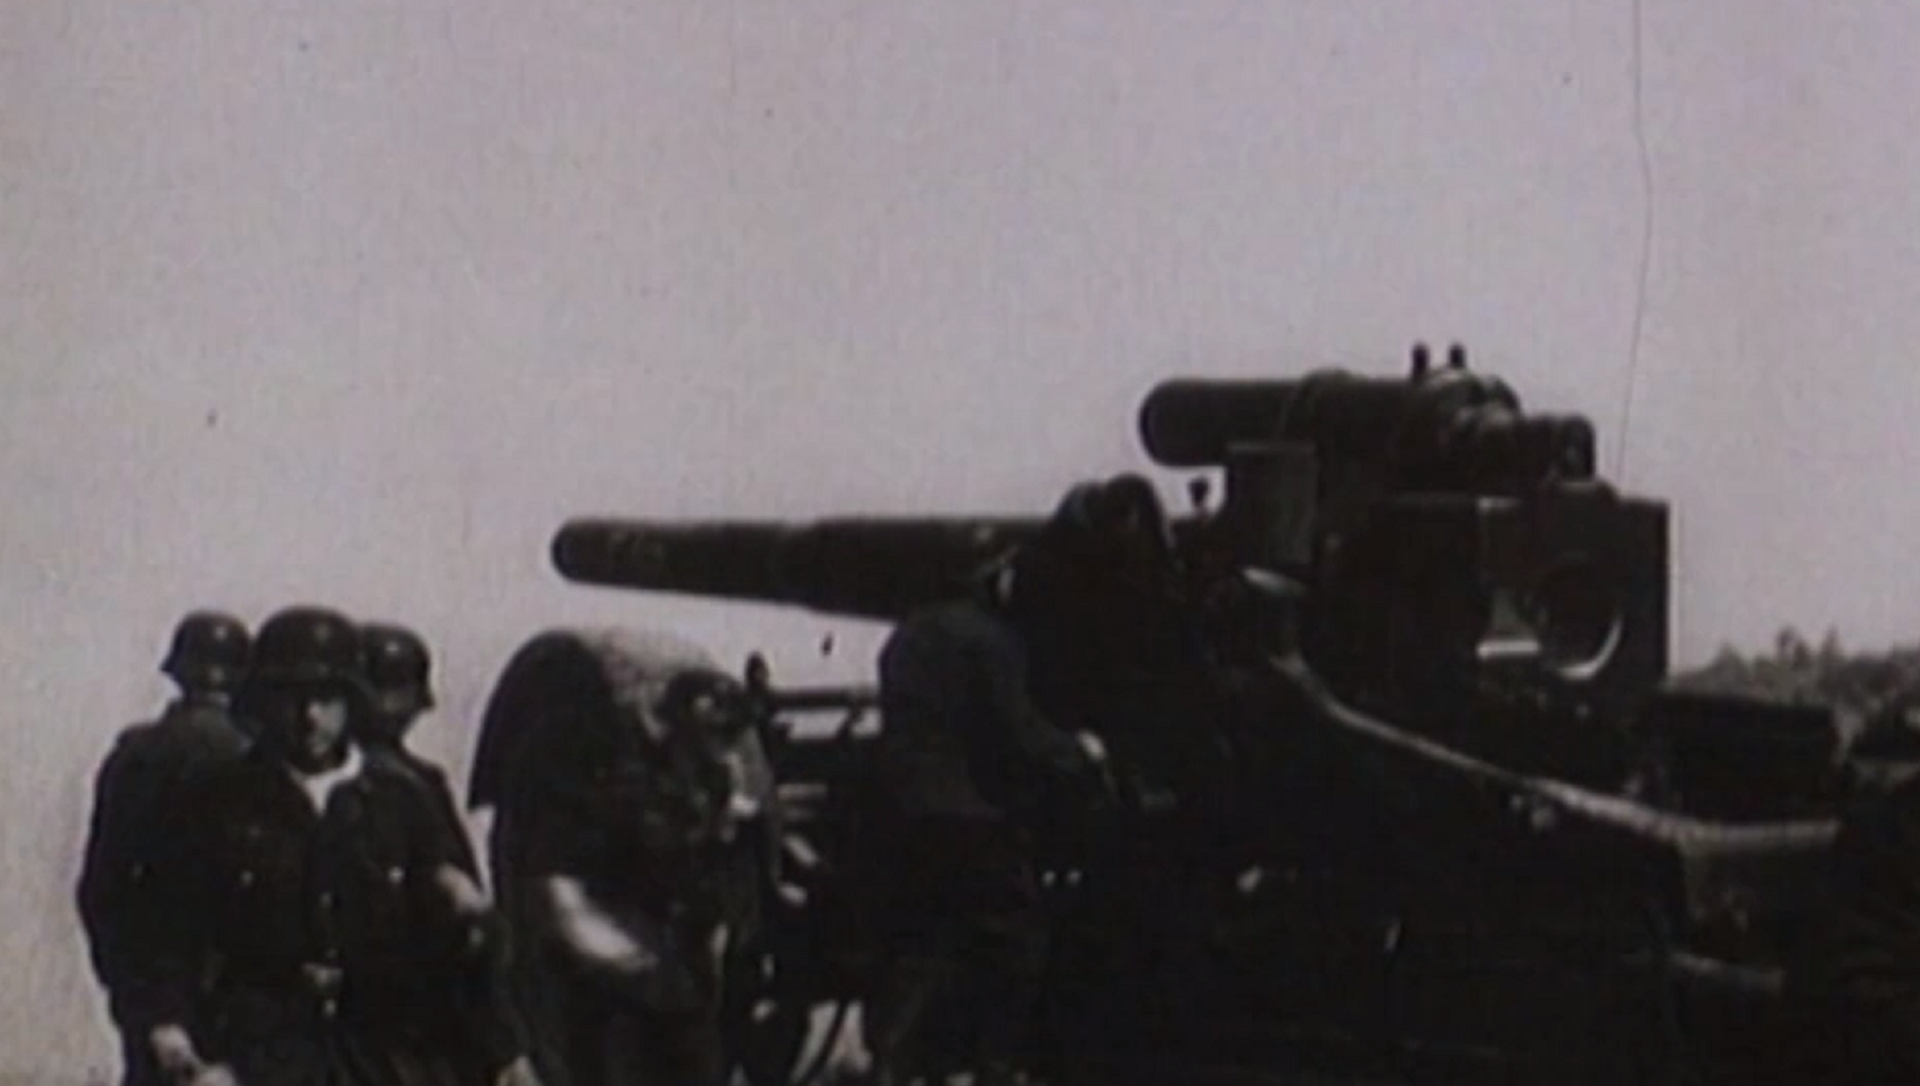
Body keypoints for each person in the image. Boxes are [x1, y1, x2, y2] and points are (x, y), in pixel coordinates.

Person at [117, 605, 536, 1086]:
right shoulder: (218, 803)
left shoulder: (400, 802)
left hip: (381, 1052)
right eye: (289, 698)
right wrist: (172, 1041)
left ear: (353, 703)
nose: (309, 717)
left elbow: (459, 946)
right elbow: (167, 939)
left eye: (326, 698)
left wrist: (506, 1054)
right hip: (258, 1053)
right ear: (262, 703)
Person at [866, 530, 1118, 1086]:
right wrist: (1081, 751)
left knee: (927, 939)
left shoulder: (910, 632)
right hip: (968, 814)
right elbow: (1018, 733)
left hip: (905, 810)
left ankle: (888, 1062)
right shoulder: (994, 640)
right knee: (1018, 937)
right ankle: (996, 1068)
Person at [478, 629, 781, 1086]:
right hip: (624, 969)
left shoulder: (715, 785)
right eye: (706, 739)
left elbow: (734, 891)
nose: (719, 757)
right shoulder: (613, 785)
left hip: (680, 965)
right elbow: (558, 898)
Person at [77, 610, 254, 1086]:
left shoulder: (135, 755)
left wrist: (132, 997)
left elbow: (99, 890)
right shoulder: (253, 756)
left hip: (152, 988)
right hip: (240, 997)